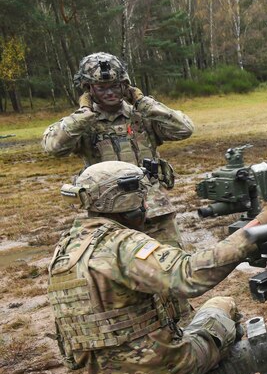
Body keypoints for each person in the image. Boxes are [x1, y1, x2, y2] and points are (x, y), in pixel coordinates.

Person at [48, 160, 267, 374]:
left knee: (182, 321)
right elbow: (191, 276)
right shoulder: (123, 245)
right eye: (142, 199)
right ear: (127, 201)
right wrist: (259, 226)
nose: (146, 207)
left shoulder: (66, 249)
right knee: (223, 307)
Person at [42, 52, 193, 248]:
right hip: (109, 213)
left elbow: (185, 129)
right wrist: (84, 114)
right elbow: (53, 148)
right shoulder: (82, 123)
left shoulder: (143, 115)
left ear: (125, 86)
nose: (110, 92)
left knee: (172, 269)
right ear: (89, 90)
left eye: (115, 86)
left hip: (154, 210)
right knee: (118, 273)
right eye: (101, 87)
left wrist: (144, 103)